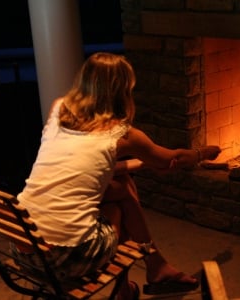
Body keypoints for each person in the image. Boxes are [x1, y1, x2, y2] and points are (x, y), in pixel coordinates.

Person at [13, 52, 221, 299]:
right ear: (123, 90)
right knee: (119, 209)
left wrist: (140, 164)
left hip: (22, 248)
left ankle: (154, 271)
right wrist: (202, 153)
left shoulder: (59, 109)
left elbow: (87, 168)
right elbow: (172, 160)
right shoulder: (122, 134)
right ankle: (140, 280)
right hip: (67, 260)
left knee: (121, 186)